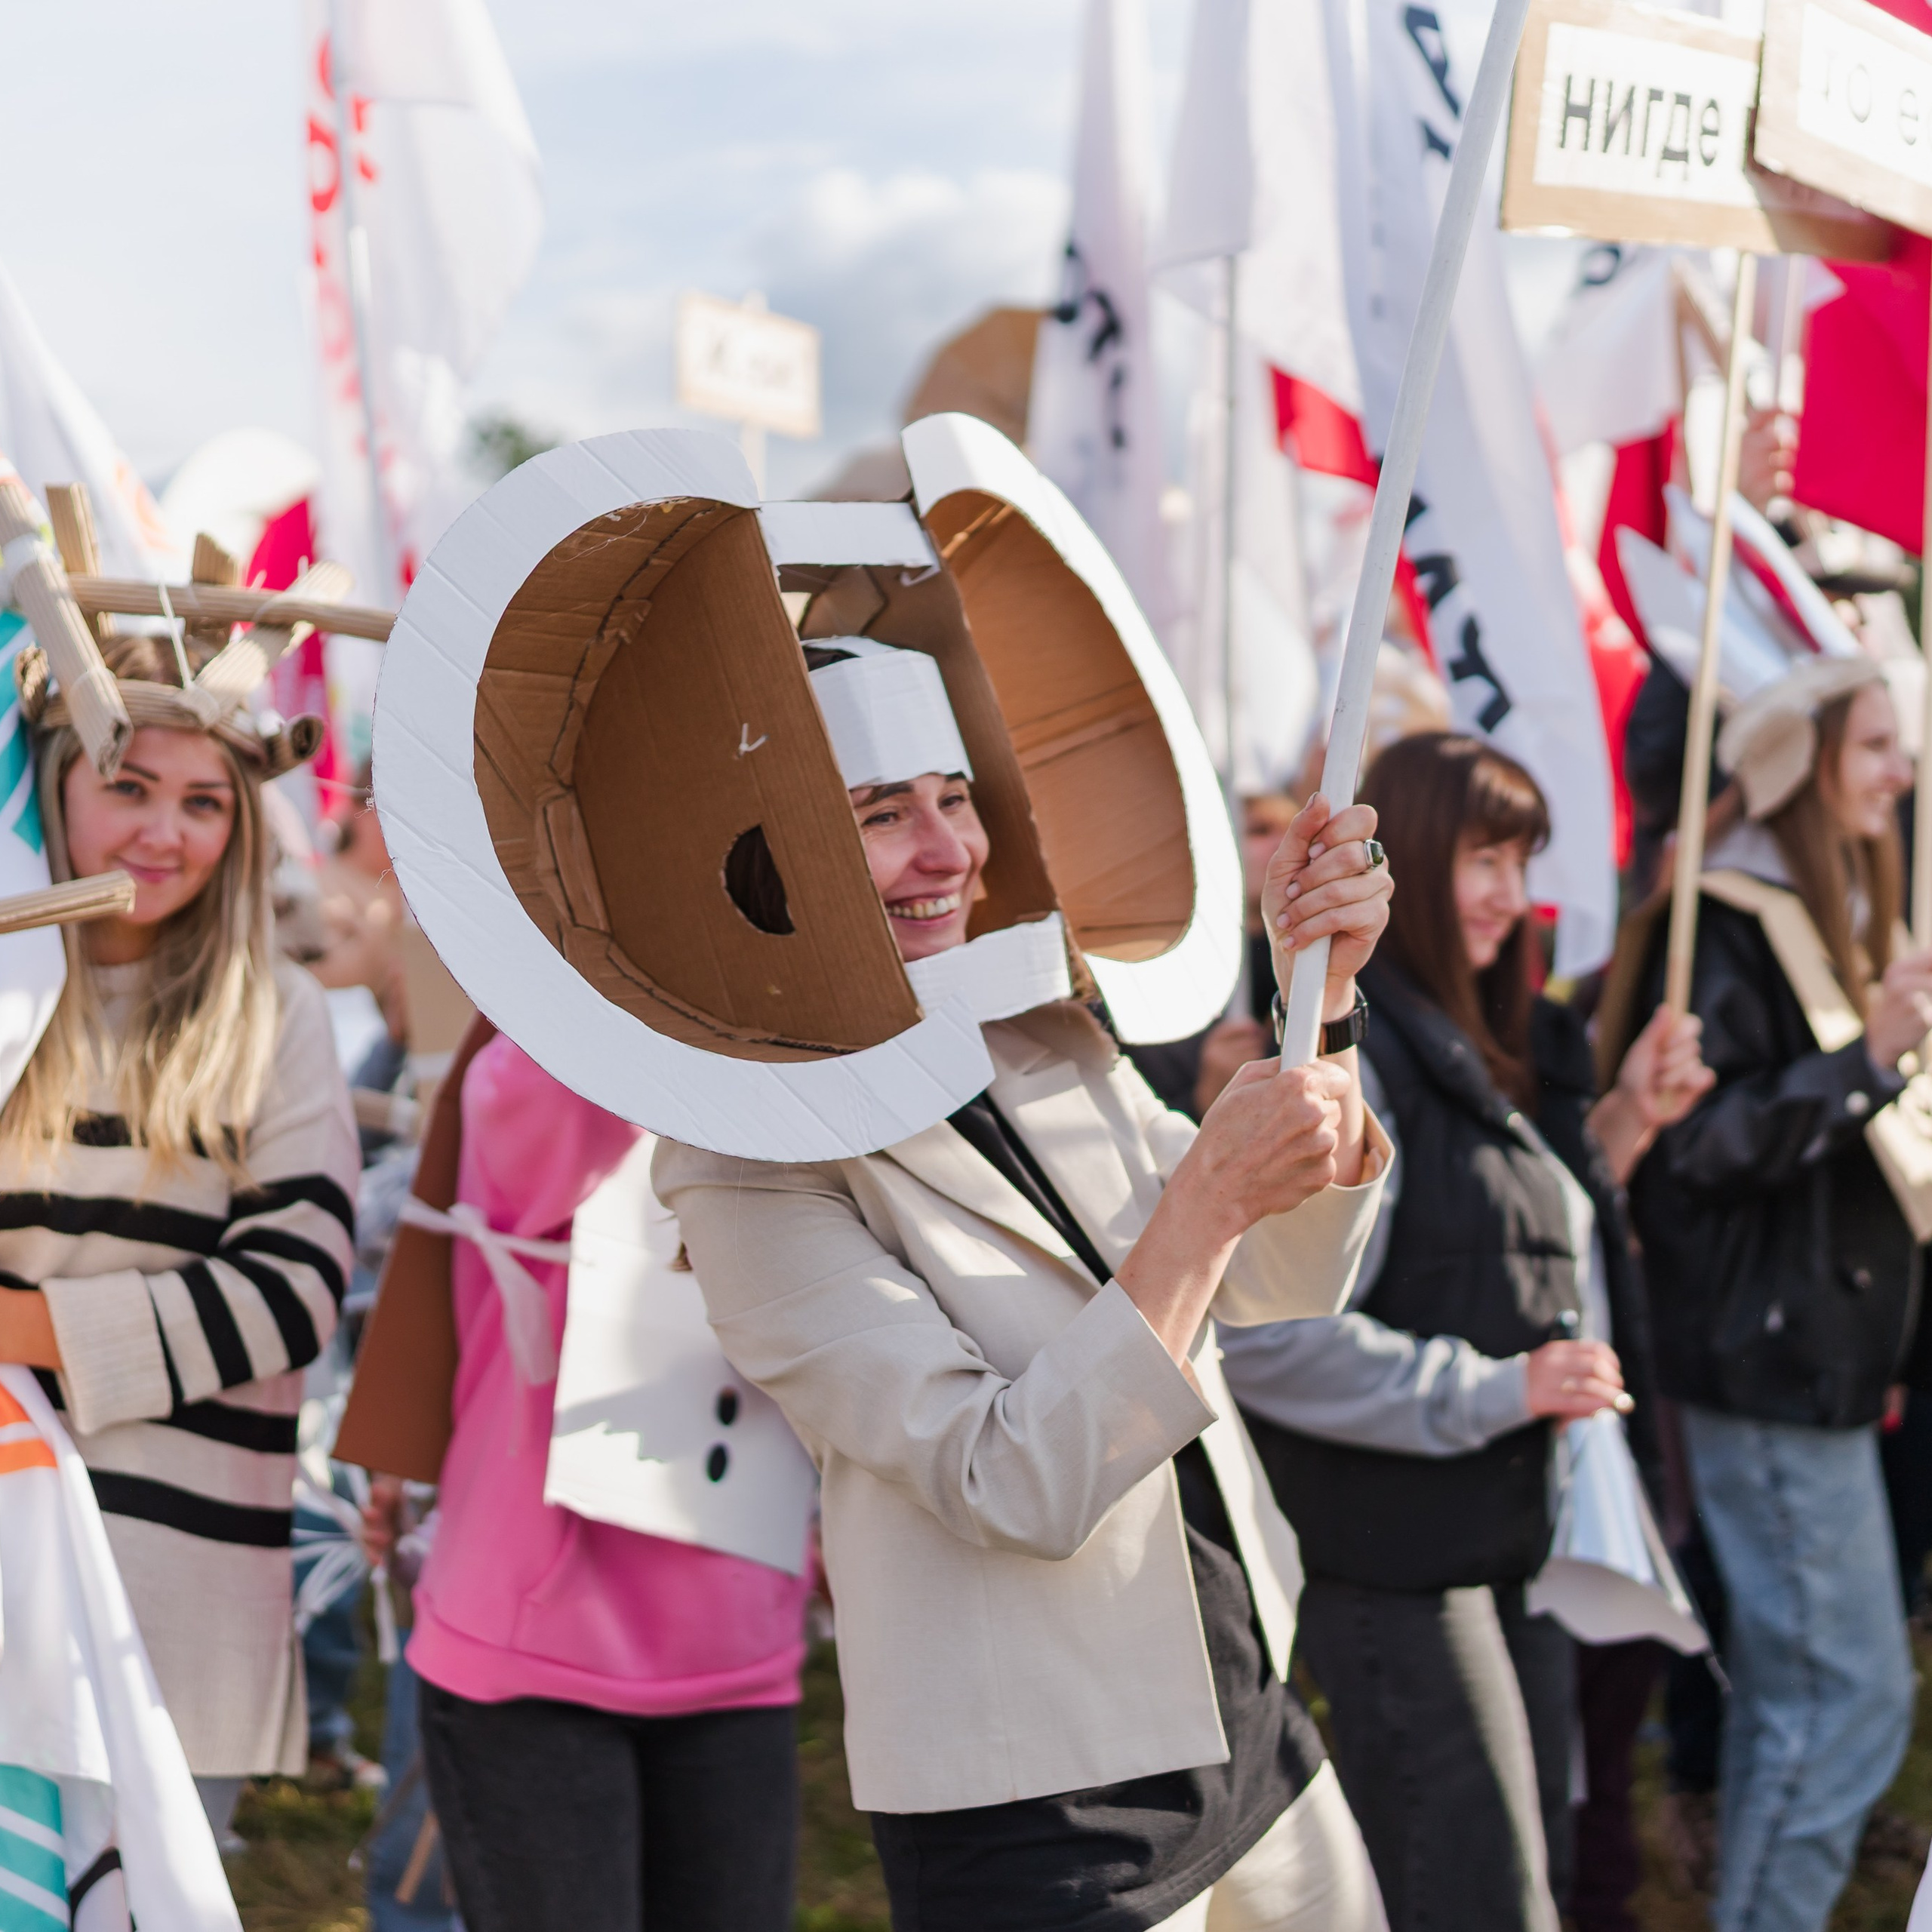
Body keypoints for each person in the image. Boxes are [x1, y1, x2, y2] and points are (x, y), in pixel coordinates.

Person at [656, 637, 1397, 1932]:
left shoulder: (1037, 1025)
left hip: (1250, 1710)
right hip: (1046, 1809)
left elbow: (1280, 1275)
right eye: (882, 816)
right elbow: (1008, 1478)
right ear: (774, 859)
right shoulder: (745, 1161)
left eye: (953, 797)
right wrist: (1207, 1197)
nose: (950, 852)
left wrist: (1317, 1008)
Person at [1223, 733, 1710, 1932]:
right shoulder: (1353, 1060)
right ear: (1407, 861)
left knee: (1523, 1877)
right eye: (1483, 858)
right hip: (1397, 1556)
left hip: (1504, 1534)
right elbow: (1273, 1337)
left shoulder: (1490, 1044)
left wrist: (1626, 1125)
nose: (1509, 893)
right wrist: (1501, 1389)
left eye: (1522, 861)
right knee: (1478, 1896)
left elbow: (1507, 1248)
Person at [0, 633, 359, 1849]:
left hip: (173, 1611)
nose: (165, 834)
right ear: (51, 786)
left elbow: (291, 1293)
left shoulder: (275, 1012)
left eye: (205, 802)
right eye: (130, 786)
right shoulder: (5, 998)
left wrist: (21, 1329)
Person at [358, 1023, 815, 1932]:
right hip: (533, 1660)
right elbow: (567, 1095)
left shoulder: (802, 1070)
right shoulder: (542, 1058)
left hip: (738, 1642)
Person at [1623, 655, 1932, 1932]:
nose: (1902, 772)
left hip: (1815, 1359)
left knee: (1810, 1696)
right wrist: (1870, 1058)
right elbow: (1694, 1150)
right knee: (1847, 1698)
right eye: (1875, 746)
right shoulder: (1724, 917)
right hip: (1767, 1363)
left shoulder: (1824, 900)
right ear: (1802, 765)